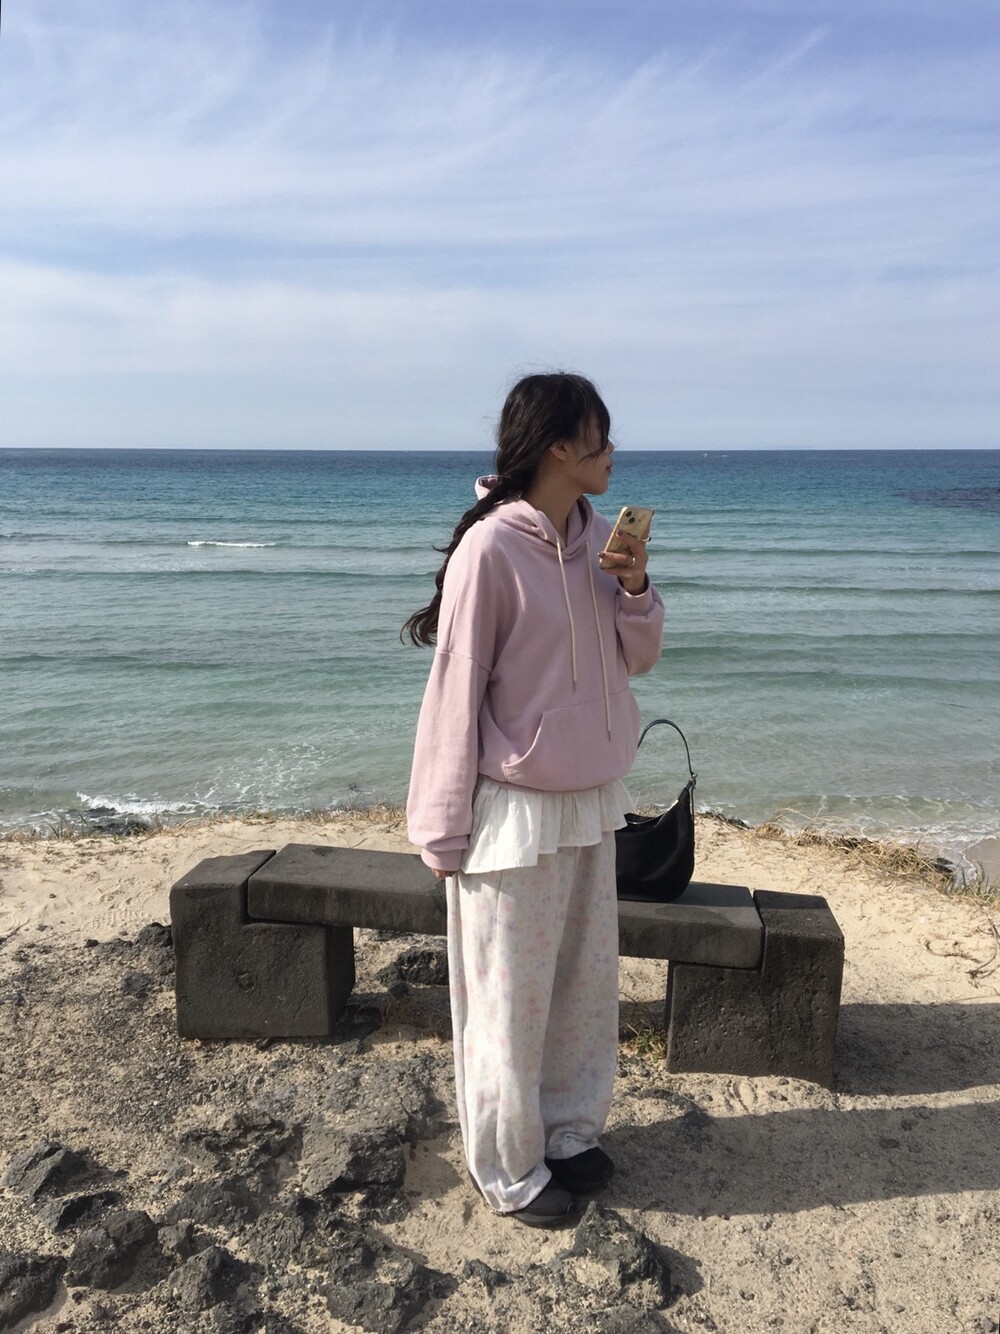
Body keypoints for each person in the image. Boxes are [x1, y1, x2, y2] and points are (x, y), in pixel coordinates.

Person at [403, 372, 664, 1227]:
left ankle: (568, 1134)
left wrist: (635, 587)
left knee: (583, 991)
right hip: (513, 809)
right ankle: (509, 1168)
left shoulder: (598, 541)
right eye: (600, 435)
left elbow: (638, 659)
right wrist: (441, 829)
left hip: (590, 798)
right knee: (508, 1005)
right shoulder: (490, 550)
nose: (613, 451)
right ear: (559, 446)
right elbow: (454, 689)